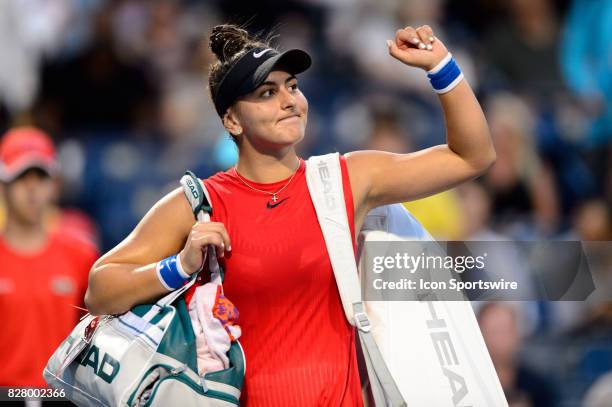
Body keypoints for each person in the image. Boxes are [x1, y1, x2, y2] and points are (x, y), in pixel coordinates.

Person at [84, 24, 495, 406]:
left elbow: (471, 156)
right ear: (231, 119)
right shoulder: (200, 203)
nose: (289, 100)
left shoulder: (344, 179)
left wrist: (441, 66)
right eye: (267, 93)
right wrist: (178, 267)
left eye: (293, 87)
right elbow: (100, 290)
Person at [0, 127, 98, 396]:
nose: (32, 189)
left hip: (63, 397)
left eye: (40, 177)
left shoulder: (81, 254)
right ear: (3, 186)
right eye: (21, 178)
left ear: (54, 185)